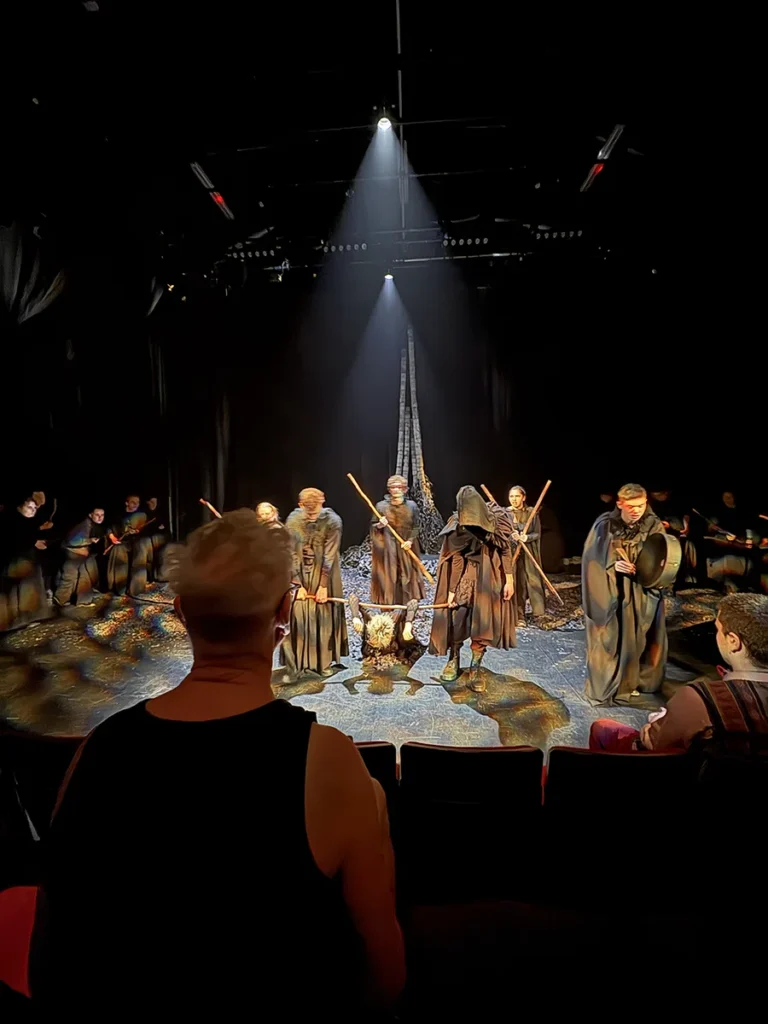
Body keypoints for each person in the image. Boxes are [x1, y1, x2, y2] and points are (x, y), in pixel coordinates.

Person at [32, 510, 405, 1016]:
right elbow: (386, 978)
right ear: (285, 611)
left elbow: (48, 961)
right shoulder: (328, 763)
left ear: (180, 611)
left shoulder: (98, 749)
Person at [589, 593, 768, 754]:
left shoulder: (698, 698)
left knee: (603, 728)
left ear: (734, 642)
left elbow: (655, 744)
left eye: (718, 630)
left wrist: (651, 727)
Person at [582, 482, 667, 705]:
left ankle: (633, 681)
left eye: (641, 505)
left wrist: (643, 566)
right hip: (612, 588)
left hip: (640, 589)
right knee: (608, 636)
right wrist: (612, 564)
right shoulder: (605, 525)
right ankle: (607, 683)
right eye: (631, 506)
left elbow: (661, 554)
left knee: (638, 636)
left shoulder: (652, 524)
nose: (637, 510)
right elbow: (592, 557)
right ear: (620, 504)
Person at [429, 485, 515, 692]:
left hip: (490, 575)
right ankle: (454, 658)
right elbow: (457, 560)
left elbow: (505, 550)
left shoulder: (498, 519)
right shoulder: (457, 526)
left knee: (484, 620)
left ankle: (475, 667)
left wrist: (509, 580)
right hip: (468, 573)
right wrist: (451, 592)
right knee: (458, 617)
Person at [280, 488, 348, 678]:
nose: (311, 516)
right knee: (299, 612)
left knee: (323, 613)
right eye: (307, 512)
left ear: (322, 502)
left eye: (315, 511)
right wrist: (297, 583)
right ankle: (299, 662)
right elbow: (290, 553)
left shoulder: (333, 521)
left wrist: (323, 585)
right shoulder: (293, 521)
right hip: (300, 570)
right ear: (300, 505)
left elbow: (329, 554)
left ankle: (323, 661)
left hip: (324, 570)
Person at [370, 475, 425, 606]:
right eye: (393, 487)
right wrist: (380, 525)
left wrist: (410, 541)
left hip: (406, 545)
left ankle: (408, 604)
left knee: (407, 574)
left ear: (405, 489)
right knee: (390, 573)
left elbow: (417, 526)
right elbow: (373, 525)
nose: (396, 490)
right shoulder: (381, 506)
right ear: (389, 489)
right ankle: (389, 603)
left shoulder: (411, 506)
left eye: (399, 487)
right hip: (388, 546)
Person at [0, 494, 53, 632]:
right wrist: (34, 542)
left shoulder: (26, 521)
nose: (33, 510)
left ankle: (30, 618)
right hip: (15, 562)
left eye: (35, 508)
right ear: (20, 506)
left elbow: (27, 533)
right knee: (18, 591)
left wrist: (39, 532)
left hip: (28, 561)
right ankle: (17, 621)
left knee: (30, 590)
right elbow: (13, 538)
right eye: (29, 507)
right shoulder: (11, 519)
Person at [349, 592, 424, 669]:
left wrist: (408, 623)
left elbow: (413, 602)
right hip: (371, 653)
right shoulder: (369, 616)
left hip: (394, 651)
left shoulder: (396, 617)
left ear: (390, 635)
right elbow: (353, 597)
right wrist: (355, 617)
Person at [507, 485, 546, 621]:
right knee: (515, 583)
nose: (514, 499)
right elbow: (501, 531)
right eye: (511, 496)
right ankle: (517, 615)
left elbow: (537, 533)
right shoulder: (505, 513)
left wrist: (526, 537)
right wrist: (511, 536)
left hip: (528, 553)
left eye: (517, 496)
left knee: (530, 582)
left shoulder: (531, 512)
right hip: (511, 553)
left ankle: (536, 614)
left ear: (523, 498)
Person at [53, 507, 105, 607]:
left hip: (80, 555)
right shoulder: (85, 525)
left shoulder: (93, 525)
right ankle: (60, 599)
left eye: (102, 515)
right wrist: (89, 541)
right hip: (73, 554)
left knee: (82, 575)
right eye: (97, 515)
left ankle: (79, 600)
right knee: (70, 576)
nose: (100, 517)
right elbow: (72, 541)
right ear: (90, 515)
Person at [106, 495, 151, 597]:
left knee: (141, 548)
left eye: (138, 502)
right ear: (126, 503)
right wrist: (112, 537)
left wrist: (138, 531)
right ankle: (120, 587)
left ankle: (136, 589)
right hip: (122, 541)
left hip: (136, 540)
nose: (136, 504)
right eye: (133, 502)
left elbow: (146, 530)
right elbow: (109, 528)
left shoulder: (142, 515)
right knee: (119, 551)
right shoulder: (119, 516)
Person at [143, 496, 167, 582]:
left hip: (157, 538)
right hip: (146, 538)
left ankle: (159, 575)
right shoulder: (144, 514)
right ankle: (150, 576)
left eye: (155, 503)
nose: (154, 505)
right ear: (147, 502)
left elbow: (163, 527)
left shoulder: (160, 514)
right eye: (152, 502)